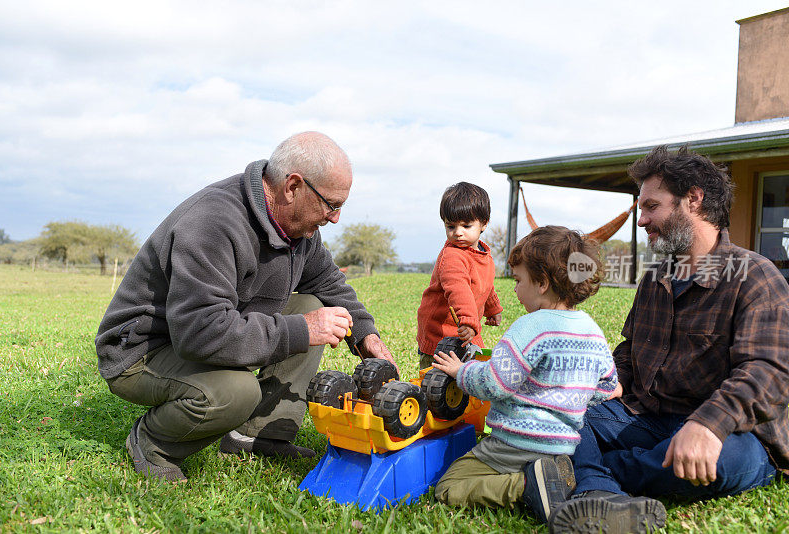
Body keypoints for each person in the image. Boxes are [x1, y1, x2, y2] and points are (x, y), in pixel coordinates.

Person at [95, 131, 396, 482]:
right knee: (236, 391)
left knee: (313, 304)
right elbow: (199, 332)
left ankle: (255, 436)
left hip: (210, 328)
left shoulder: (298, 231)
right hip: (145, 349)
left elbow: (328, 283)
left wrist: (365, 335)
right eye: (331, 204)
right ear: (292, 186)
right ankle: (152, 443)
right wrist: (304, 329)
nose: (335, 218)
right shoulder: (212, 223)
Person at [549, 145, 789, 534]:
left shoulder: (755, 277)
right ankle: (601, 493)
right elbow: (629, 350)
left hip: (735, 433)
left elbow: (769, 371)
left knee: (718, 461)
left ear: (693, 199)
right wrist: (616, 379)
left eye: (651, 206)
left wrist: (709, 424)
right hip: (649, 417)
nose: (641, 220)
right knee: (560, 413)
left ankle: (583, 476)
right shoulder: (654, 279)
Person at [432, 225, 617, 524]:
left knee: (448, 486)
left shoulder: (530, 327)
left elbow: (494, 382)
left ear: (542, 282)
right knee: (542, 470)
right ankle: (549, 479)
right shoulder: (592, 332)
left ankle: (526, 485)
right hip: (562, 447)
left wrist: (461, 370)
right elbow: (608, 386)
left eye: (518, 280)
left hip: (514, 443)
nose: (515, 289)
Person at [416, 182, 503, 369]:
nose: (458, 233)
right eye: (451, 226)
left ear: (484, 224)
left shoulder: (483, 254)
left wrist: (493, 308)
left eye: (466, 225)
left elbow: (486, 284)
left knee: (470, 369)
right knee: (436, 382)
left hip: (465, 328)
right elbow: (458, 290)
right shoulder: (452, 256)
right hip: (440, 332)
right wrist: (470, 322)